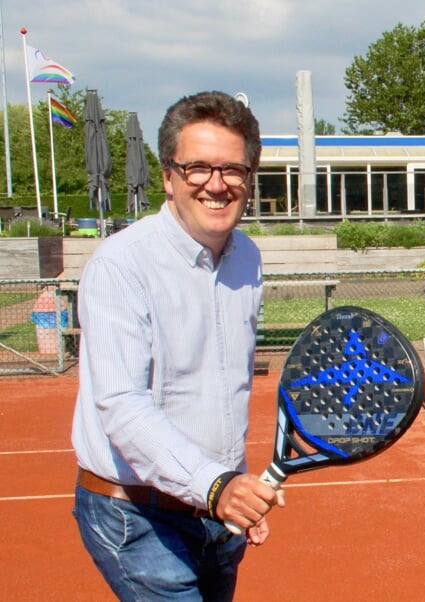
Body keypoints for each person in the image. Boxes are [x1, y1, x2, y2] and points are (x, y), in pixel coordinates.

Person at [71, 90, 283, 601]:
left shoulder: (247, 257)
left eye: (233, 169)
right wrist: (217, 486)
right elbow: (122, 406)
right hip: (136, 514)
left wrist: (234, 489)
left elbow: (222, 387)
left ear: (249, 179)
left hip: (213, 508)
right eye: (198, 168)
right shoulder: (120, 265)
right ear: (168, 176)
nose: (217, 184)